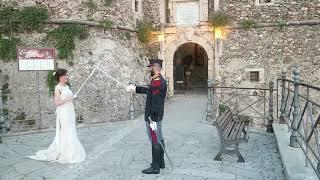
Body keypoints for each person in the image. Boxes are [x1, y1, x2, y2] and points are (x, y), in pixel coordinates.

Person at [27, 69, 86, 164]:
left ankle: (71, 150)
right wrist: (70, 98)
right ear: (60, 77)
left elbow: (68, 99)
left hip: (70, 111)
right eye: (65, 75)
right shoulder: (57, 88)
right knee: (66, 130)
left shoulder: (66, 86)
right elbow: (57, 102)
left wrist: (73, 97)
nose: (67, 77)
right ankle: (65, 152)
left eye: (67, 75)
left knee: (71, 129)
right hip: (64, 112)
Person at [126, 59, 167, 174]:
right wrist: (135, 88)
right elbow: (149, 90)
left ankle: (155, 167)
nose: (149, 69)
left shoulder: (157, 81)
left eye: (151, 67)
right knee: (159, 137)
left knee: (155, 139)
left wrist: (152, 118)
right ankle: (161, 162)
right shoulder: (157, 81)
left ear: (155, 68)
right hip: (156, 115)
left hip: (153, 116)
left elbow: (156, 102)